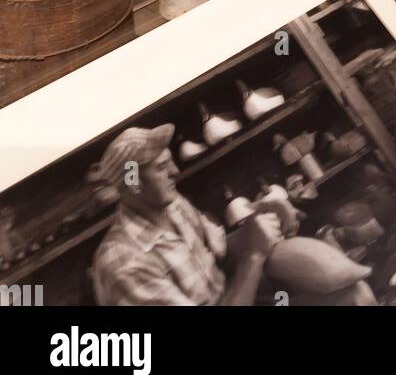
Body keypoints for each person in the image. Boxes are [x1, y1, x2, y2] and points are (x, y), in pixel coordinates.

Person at [91, 125, 282, 306]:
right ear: (133, 182)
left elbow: (219, 251)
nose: (175, 171)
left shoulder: (174, 205)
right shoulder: (122, 265)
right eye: (162, 167)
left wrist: (259, 224)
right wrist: (254, 256)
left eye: (171, 162)